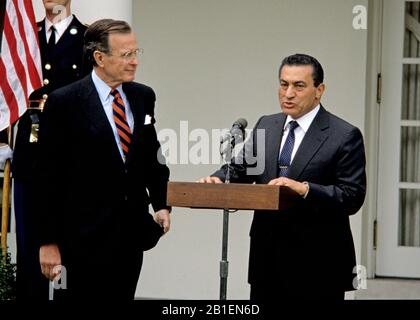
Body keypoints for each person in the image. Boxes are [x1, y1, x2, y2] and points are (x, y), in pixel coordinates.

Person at [199, 53, 366, 300]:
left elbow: (352, 197)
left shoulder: (344, 135)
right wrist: (219, 179)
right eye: (283, 84)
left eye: (299, 86)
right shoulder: (267, 124)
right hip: (267, 261)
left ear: (319, 90)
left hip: (317, 265)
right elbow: (242, 169)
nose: (288, 93)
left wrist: (304, 188)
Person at [36, 18, 171, 300]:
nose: (134, 61)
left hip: (129, 237)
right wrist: (48, 242)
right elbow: (48, 177)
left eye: (136, 53)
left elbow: (151, 155)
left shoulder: (142, 96)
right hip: (79, 240)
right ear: (99, 57)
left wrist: (161, 203)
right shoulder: (65, 102)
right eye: (126, 55)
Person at [12, 0, 91, 300]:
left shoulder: (86, 39)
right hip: (30, 154)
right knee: (30, 251)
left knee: (66, 257)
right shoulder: (24, 35)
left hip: (69, 158)